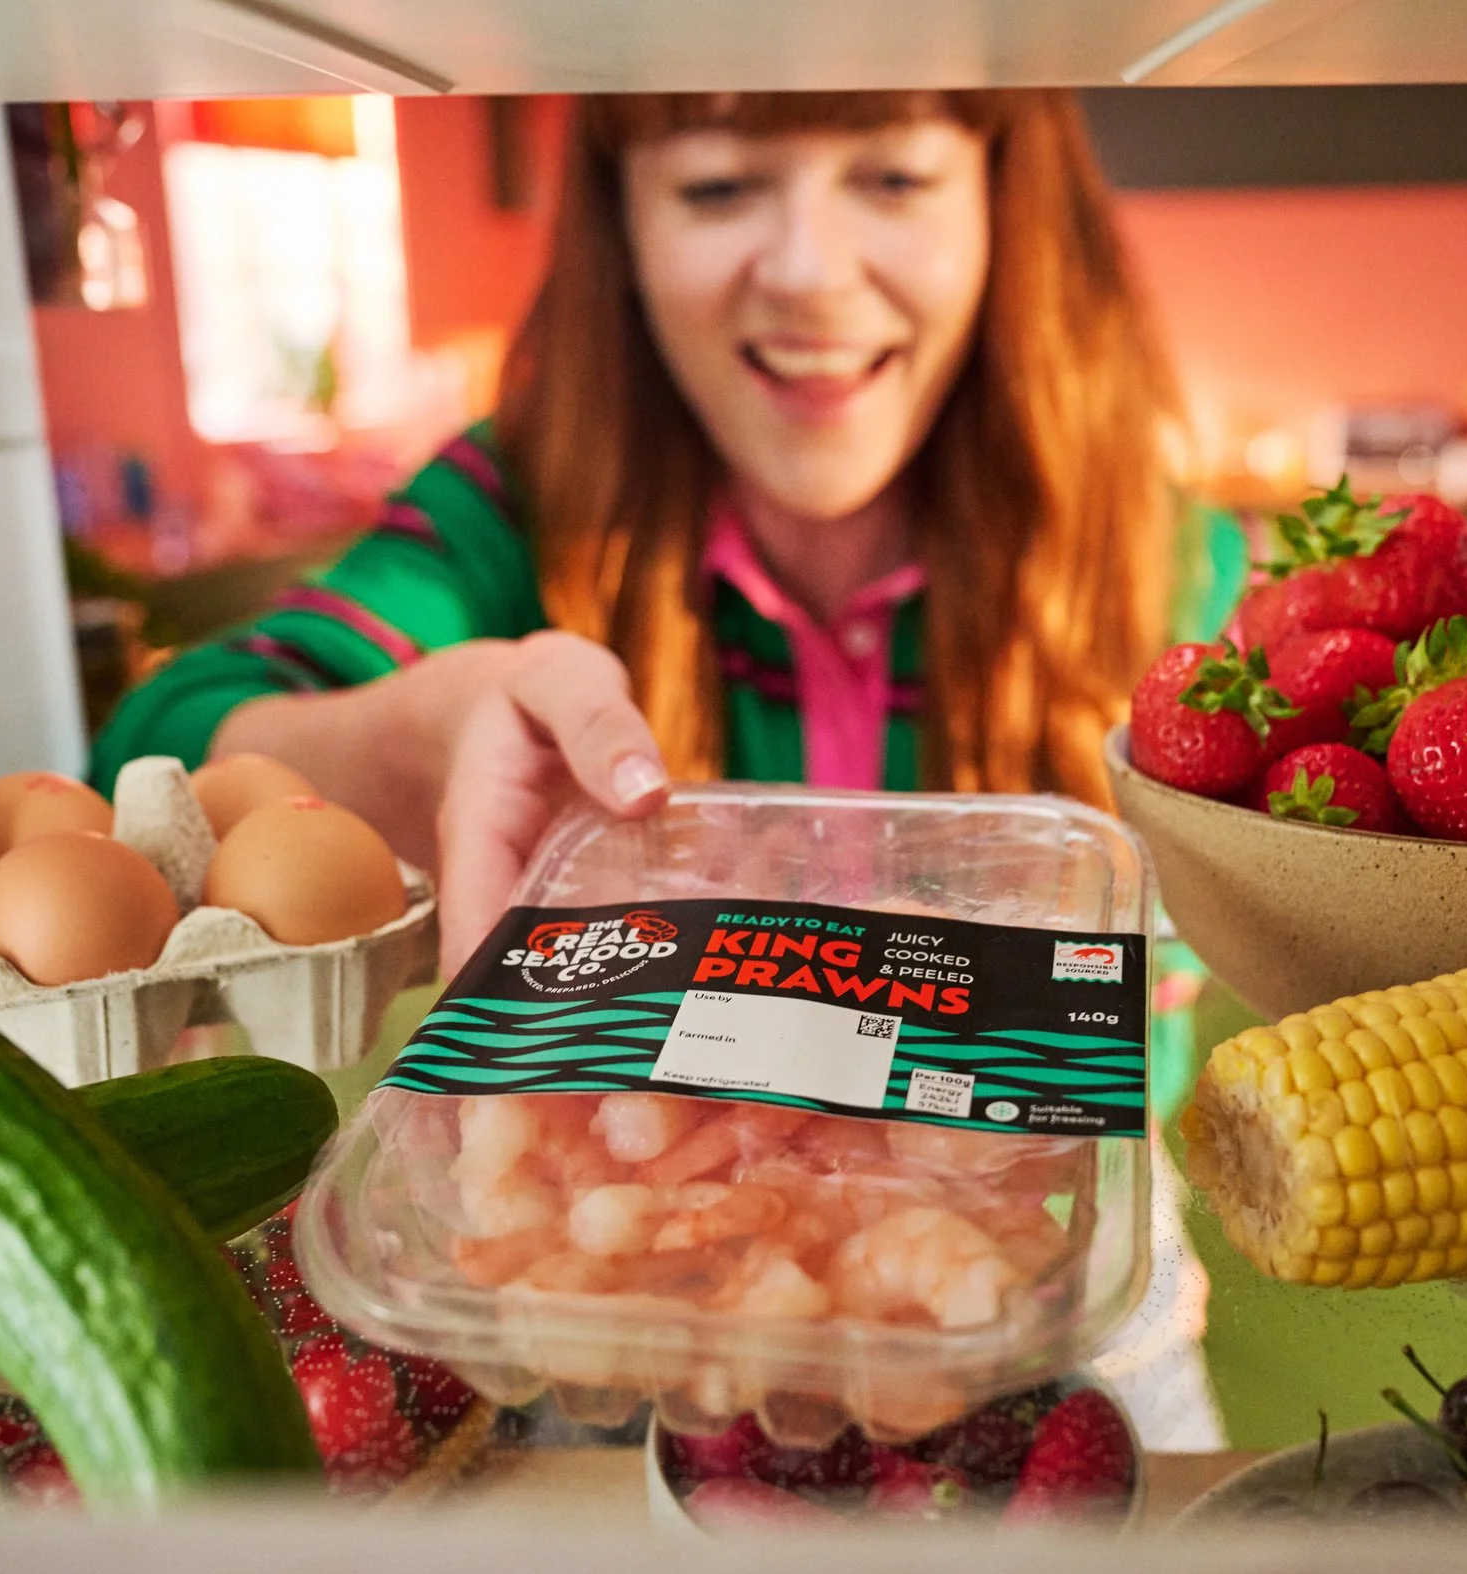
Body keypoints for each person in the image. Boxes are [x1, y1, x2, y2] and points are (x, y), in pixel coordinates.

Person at [91, 90, 1243, 968]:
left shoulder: (1166, 565)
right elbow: (149, 756)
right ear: (622, 227)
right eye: (717, 186)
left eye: (892, 177)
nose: (809, 271)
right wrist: (417, 745)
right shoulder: (514, 508)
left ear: (1003, 201)